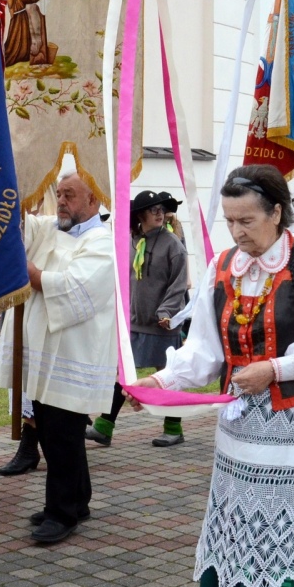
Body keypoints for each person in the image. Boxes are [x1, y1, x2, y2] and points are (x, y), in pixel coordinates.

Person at [133, 164, 294, 587]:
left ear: (277, 212)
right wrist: (163, 382)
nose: (236, 231)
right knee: (251, 527)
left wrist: (275, 368)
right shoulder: (223, 266)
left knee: (291, 529)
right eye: (230, 220)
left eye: (247, 220)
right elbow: (205, 351)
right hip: (242, 427)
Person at [0, 171, 116, 544]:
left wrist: (32, 275)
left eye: (69, 195)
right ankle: (78, 500)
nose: (61, 201)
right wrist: (17, 195)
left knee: (62, 435)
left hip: (73, 355)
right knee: (53, 431)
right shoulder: (52, 228)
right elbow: (18, 228)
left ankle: (61, 513)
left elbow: (76, 290)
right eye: (59, 193)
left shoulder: (103, 243)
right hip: (44, 355)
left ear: (93, 200)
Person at [87, 190, 190, 447]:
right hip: (134, 323)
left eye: (161, 209)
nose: (159, 213)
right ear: (140, 215)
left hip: (162, 324)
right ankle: (104, 427)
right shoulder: (131, 242)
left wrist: (166, 312)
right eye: (153, 209)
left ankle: (173, 429)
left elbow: (178, 285)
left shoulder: (173, 245)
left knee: (168, 376)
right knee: (122, 374)